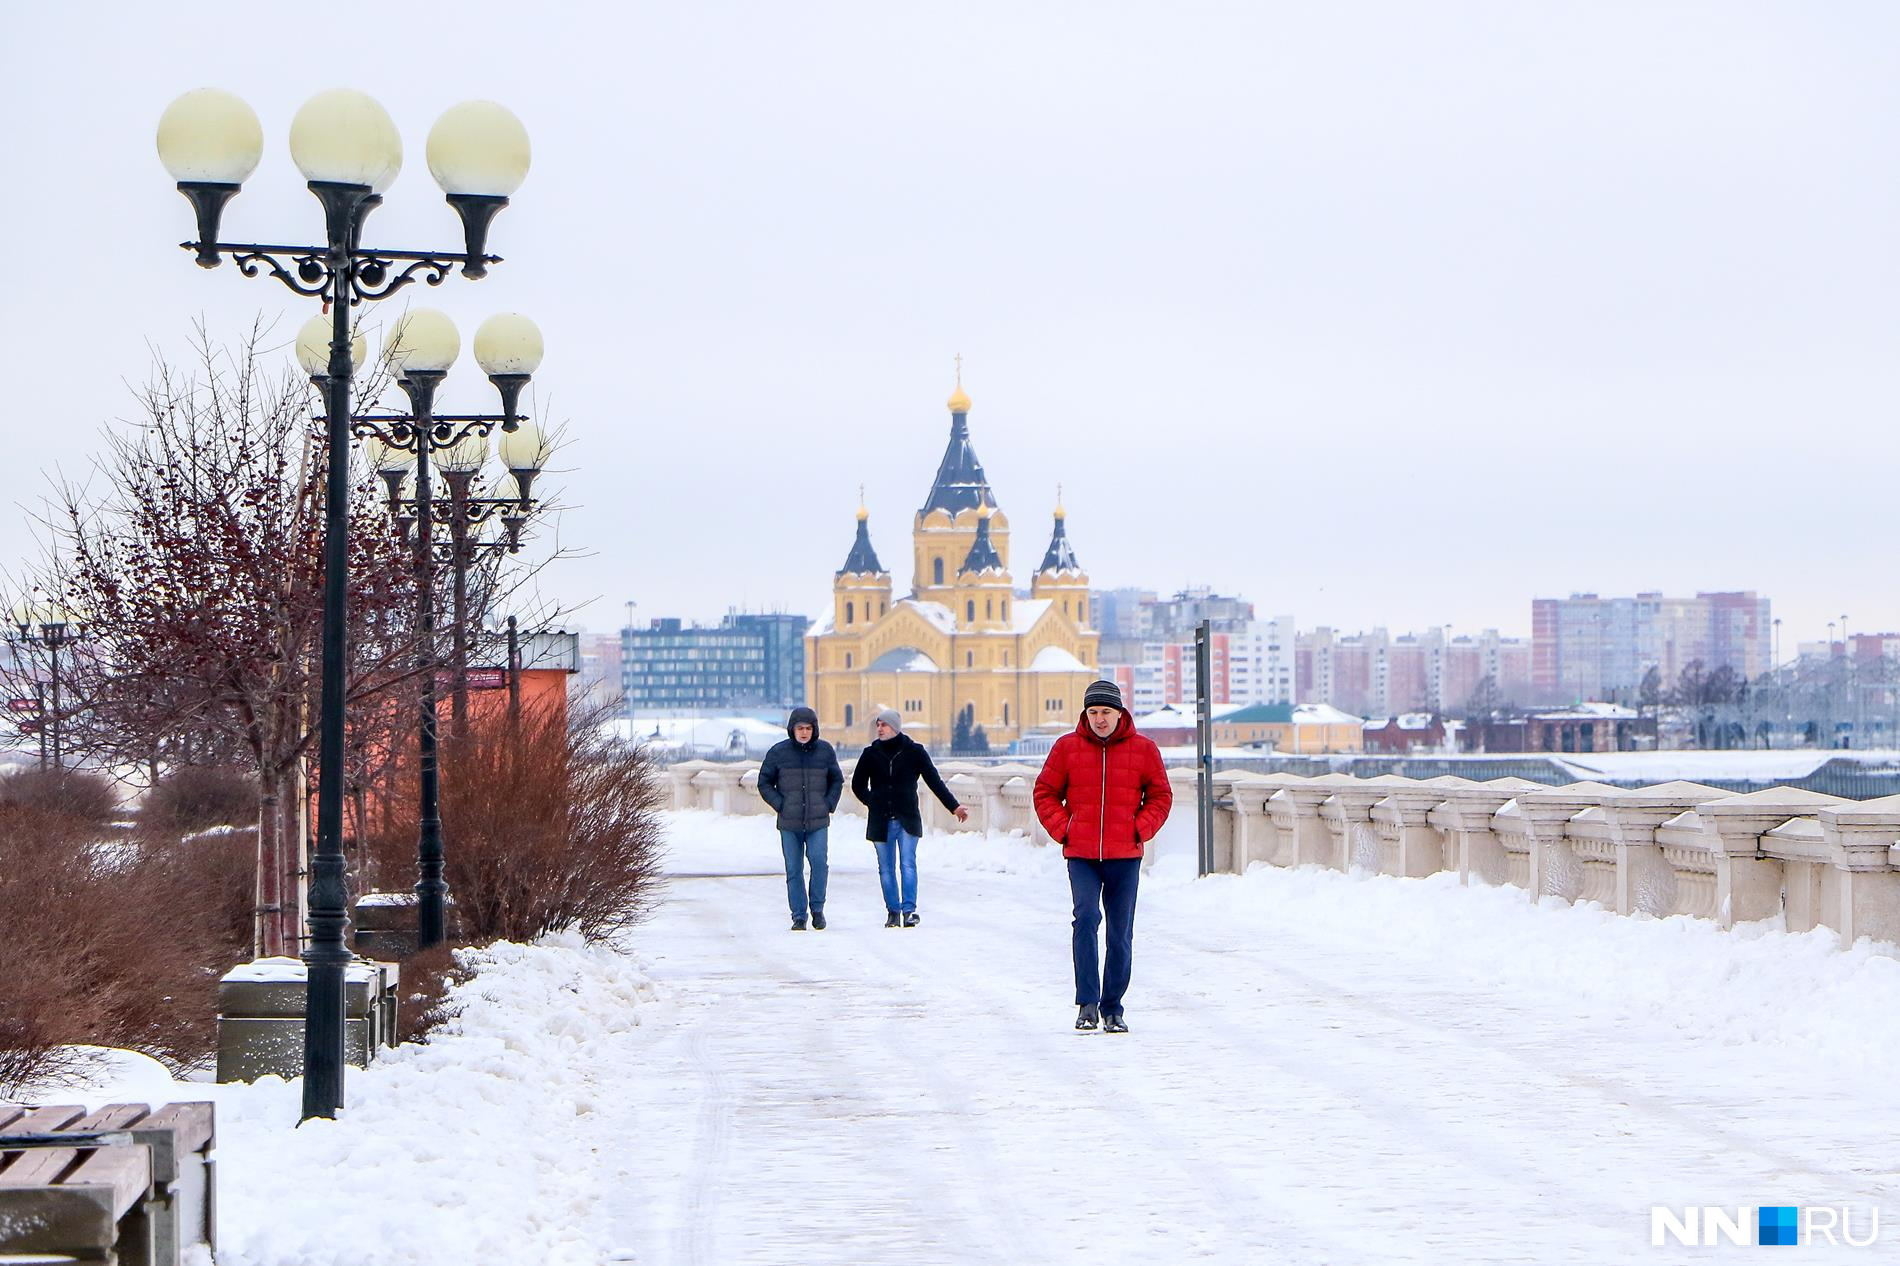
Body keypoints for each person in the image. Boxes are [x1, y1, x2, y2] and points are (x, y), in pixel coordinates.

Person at [1033, 679, 1172, 1033]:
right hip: (1081, 854)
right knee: (1086, 918)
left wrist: (1139, 830)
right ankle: (1087, 1004)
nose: (1099, 719)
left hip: (1125, 854)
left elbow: (1160, 796)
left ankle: (1113, 1008)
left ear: (1119, 712)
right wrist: (1065, 830)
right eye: (1093, 712)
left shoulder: (1144, 749)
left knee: (1120, 932)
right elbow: (1045, 792)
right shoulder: (1066, 748)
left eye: (1105, 712)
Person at [851, 708, 968, 927]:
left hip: (907, 818)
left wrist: (954, 807)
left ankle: (909, 911)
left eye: (883, 725)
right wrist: (872, 801)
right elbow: (857, 785)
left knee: (907, 864)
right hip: (880, 821)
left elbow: (934, 781)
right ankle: (893, 911)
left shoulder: (914, 752)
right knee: (885, 869)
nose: (879, 729)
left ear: (894, 727)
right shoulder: (870, 754)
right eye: (878, 725)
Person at [757, 705, 843, 931]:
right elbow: (764, 782)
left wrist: (828, 804)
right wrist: (780, 804)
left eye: (808, 728)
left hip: (817, 820)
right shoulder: (779, 753)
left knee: (819, 863)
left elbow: (837, 780)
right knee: (793, 869)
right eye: (800, 728)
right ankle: (798, 915)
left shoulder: (825, 751)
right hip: (789, 822)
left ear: (814, 729)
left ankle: (817, 909)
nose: (804, 732)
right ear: (792, 730)